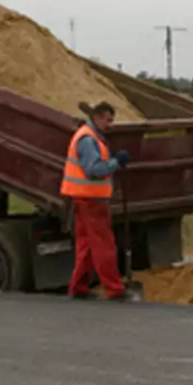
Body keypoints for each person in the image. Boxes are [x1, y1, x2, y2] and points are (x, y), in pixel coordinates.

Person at [62, 101, 134, 301]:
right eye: (108, 120)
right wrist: (116, 163)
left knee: (86, 246)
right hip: (91, 200)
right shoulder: (88, 139)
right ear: (98, 117)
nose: (110, 125)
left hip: (84, 198)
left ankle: (78, 287)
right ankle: (114, 289)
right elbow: (93, 170)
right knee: (104, 245)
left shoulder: (91, 137)